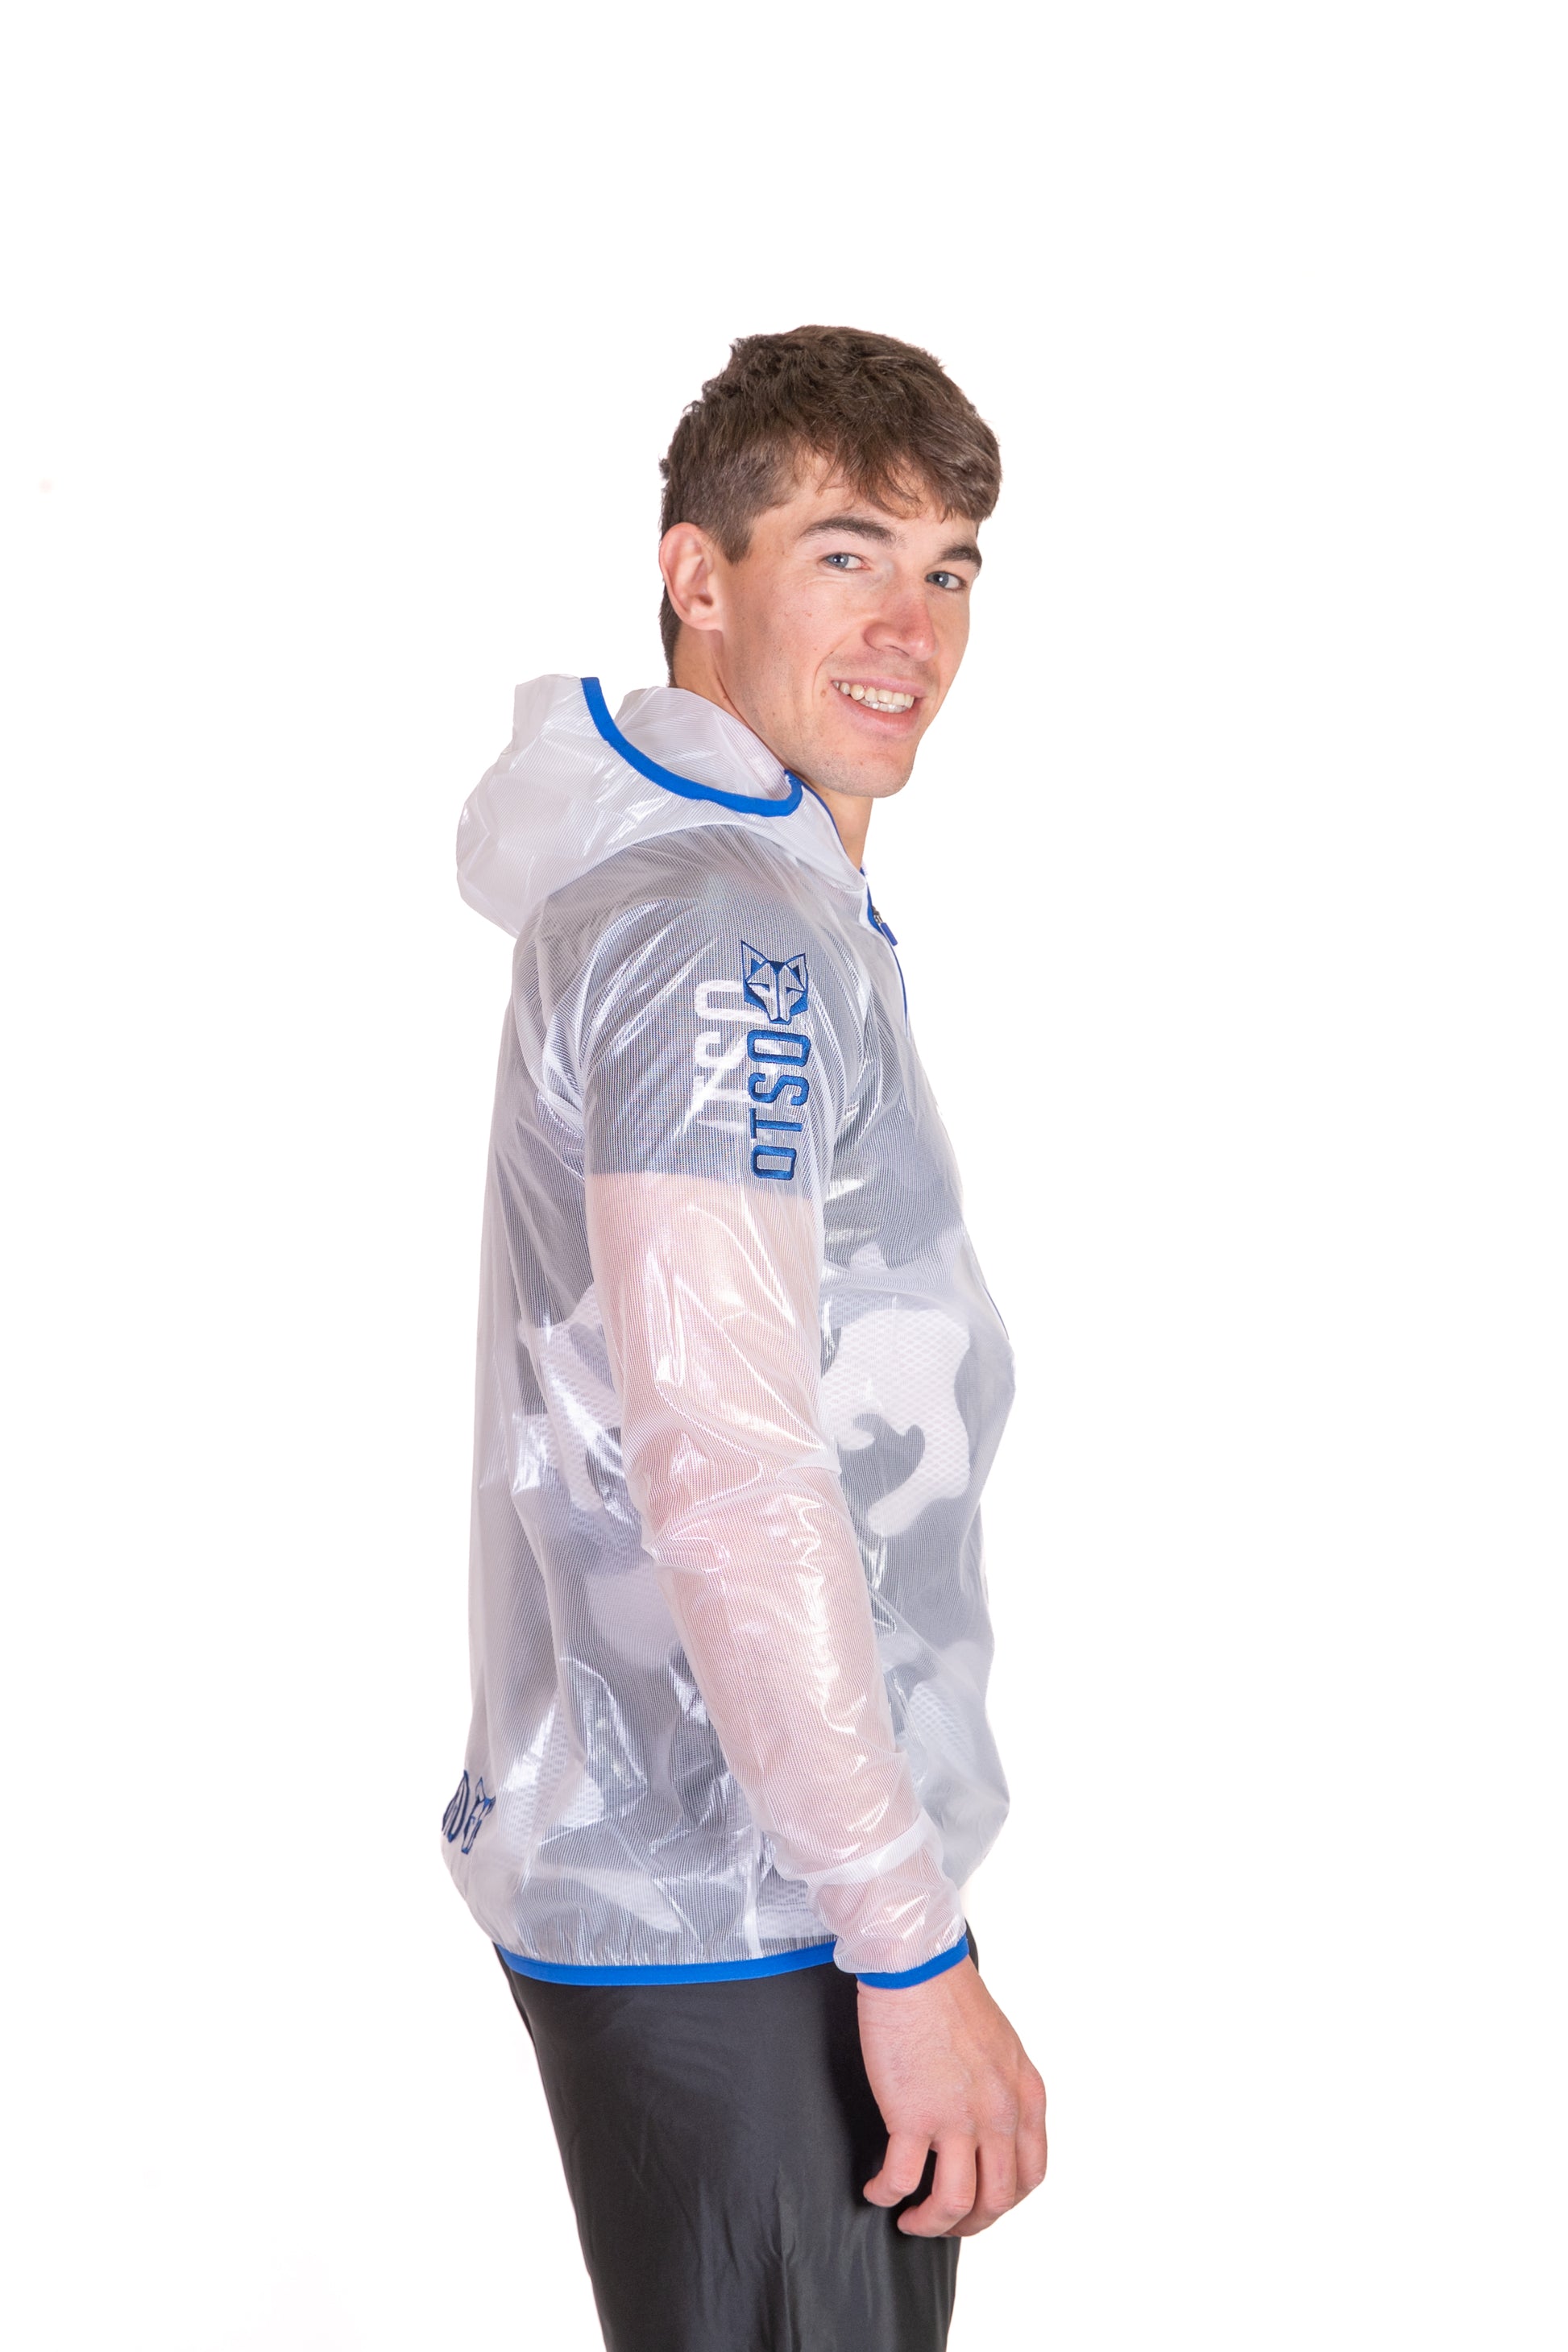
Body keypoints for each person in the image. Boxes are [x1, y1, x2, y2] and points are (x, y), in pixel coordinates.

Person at [442, 325, 1047, 2352]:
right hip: (742, 1895)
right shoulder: (724, 933)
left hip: (743, 1867)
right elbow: (723, 1458)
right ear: (696, 575)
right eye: (845, 553)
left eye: (948, 567)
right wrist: (907, 1943)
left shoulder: (727, 895)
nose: (910, 628)